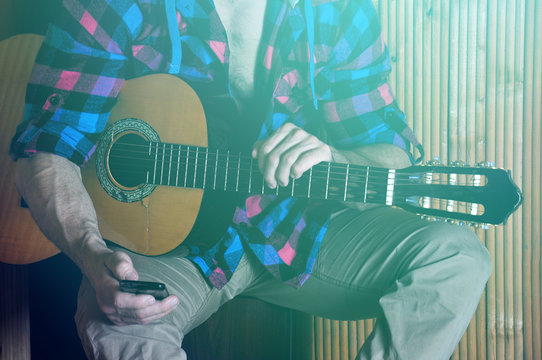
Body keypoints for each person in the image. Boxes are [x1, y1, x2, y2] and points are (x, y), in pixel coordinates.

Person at [10, 0, 492, 358]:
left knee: (455, 257)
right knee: (117, 325)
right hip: (167, 246)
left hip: (295, 227)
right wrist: (92, 253)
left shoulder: (339, 11)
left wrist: (337, 155)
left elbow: (390, 151)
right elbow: (46, 146)